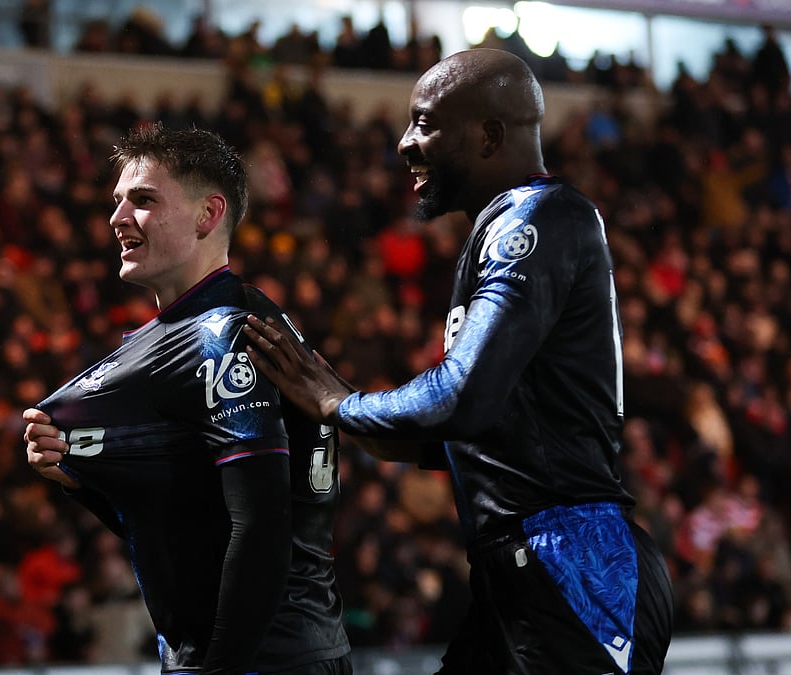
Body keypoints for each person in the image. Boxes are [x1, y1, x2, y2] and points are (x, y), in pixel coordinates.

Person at [244, 48, 674, 674]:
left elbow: (461, 399)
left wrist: (343, 402)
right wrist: (349, 421)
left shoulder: (535, 219)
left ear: (490, 135)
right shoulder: (512, 225)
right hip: (521, 571)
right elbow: (468, 429)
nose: (404, 144)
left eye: (424, 123)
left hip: (573, 566)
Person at [23, 125, 350, 675]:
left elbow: (263, 528)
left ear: (207, 215)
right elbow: (184, 524)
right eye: (118, 201)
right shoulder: (215, 322)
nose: (117, 218)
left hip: (262, 659)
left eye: (144, 200)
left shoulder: (219, 335)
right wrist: (78, 477)